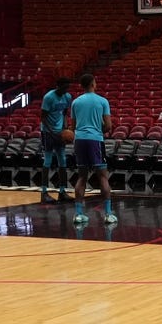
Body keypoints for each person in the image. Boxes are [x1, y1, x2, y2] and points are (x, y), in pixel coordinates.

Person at [69, 73, 116, 224]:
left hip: (80, 140)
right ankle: (108, 214)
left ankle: (78, 214)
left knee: (82, 176)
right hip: (95, 140)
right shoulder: (102, 101)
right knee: (102, 176)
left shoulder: (76, 102)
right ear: (93, 84)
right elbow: (108, 126)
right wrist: (97, 130)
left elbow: (73, 126)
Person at [38, 77, 73, 203]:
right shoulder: (49, 97)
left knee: (62, 160)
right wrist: (52, 132)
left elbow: (64, 113)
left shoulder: (68, 97)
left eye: (67, 86)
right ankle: (44, 193)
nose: (66, 89)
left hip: (59, 132)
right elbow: (42, 117)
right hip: (47, 132)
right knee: (47, 160)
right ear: (57, 85)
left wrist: (65, 128)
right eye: (64, 86)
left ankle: (62, 191)